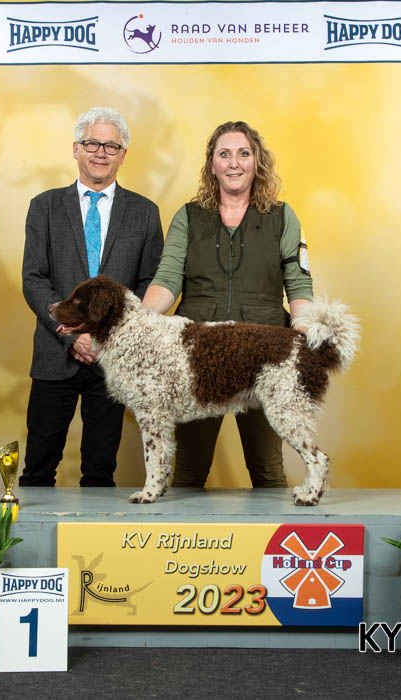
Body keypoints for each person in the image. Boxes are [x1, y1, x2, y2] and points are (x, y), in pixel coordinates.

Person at [142, 120, 314, 488]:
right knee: (189, 471)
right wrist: (137, 325)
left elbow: (299, 282)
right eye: (224, 154)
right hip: (198, 359)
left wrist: (302, 331)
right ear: (212, 164)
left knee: (267, 469)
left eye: (243, 153)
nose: (234, 163)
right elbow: (168, 279)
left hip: (265, 357)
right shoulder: (188, 216)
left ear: (257, 162)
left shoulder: (283, 216)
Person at [19, 106, 163, 488]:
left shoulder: (145, 213)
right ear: (76, 149)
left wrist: (107, 338)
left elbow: (151, 282)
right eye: (92, 143)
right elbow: (34, 279)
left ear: (123, 155)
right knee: (38, 468)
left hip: (113, 362)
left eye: (111, 146)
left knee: (100, 472)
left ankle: (95, 531)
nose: (101, 152)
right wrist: (73, 336)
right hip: (54, 356)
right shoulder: (44, 207)